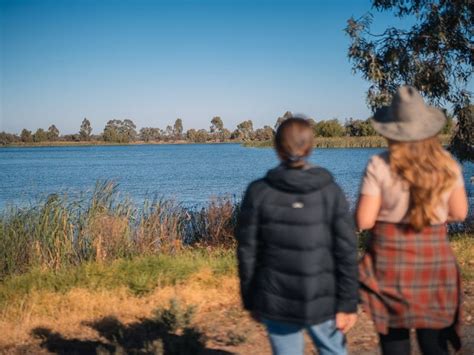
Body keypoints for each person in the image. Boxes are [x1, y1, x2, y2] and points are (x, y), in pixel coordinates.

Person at [356, 86, 469, 355]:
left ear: (392, 129)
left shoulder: (378, 164)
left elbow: (364, 220)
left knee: (395, 340)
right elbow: (460, 213)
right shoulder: (447, 164)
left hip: (389, 264)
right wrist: (433, 217)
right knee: (434, 343)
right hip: (434, 260)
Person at [235, 117, 358, 355]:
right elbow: (346, 250)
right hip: (324, 297)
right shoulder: (330, 190)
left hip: (276, 298)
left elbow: (247, 251)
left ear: (277, 147)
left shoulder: (258, 191)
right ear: (310, 147)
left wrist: (251, 299)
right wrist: (347, 303)